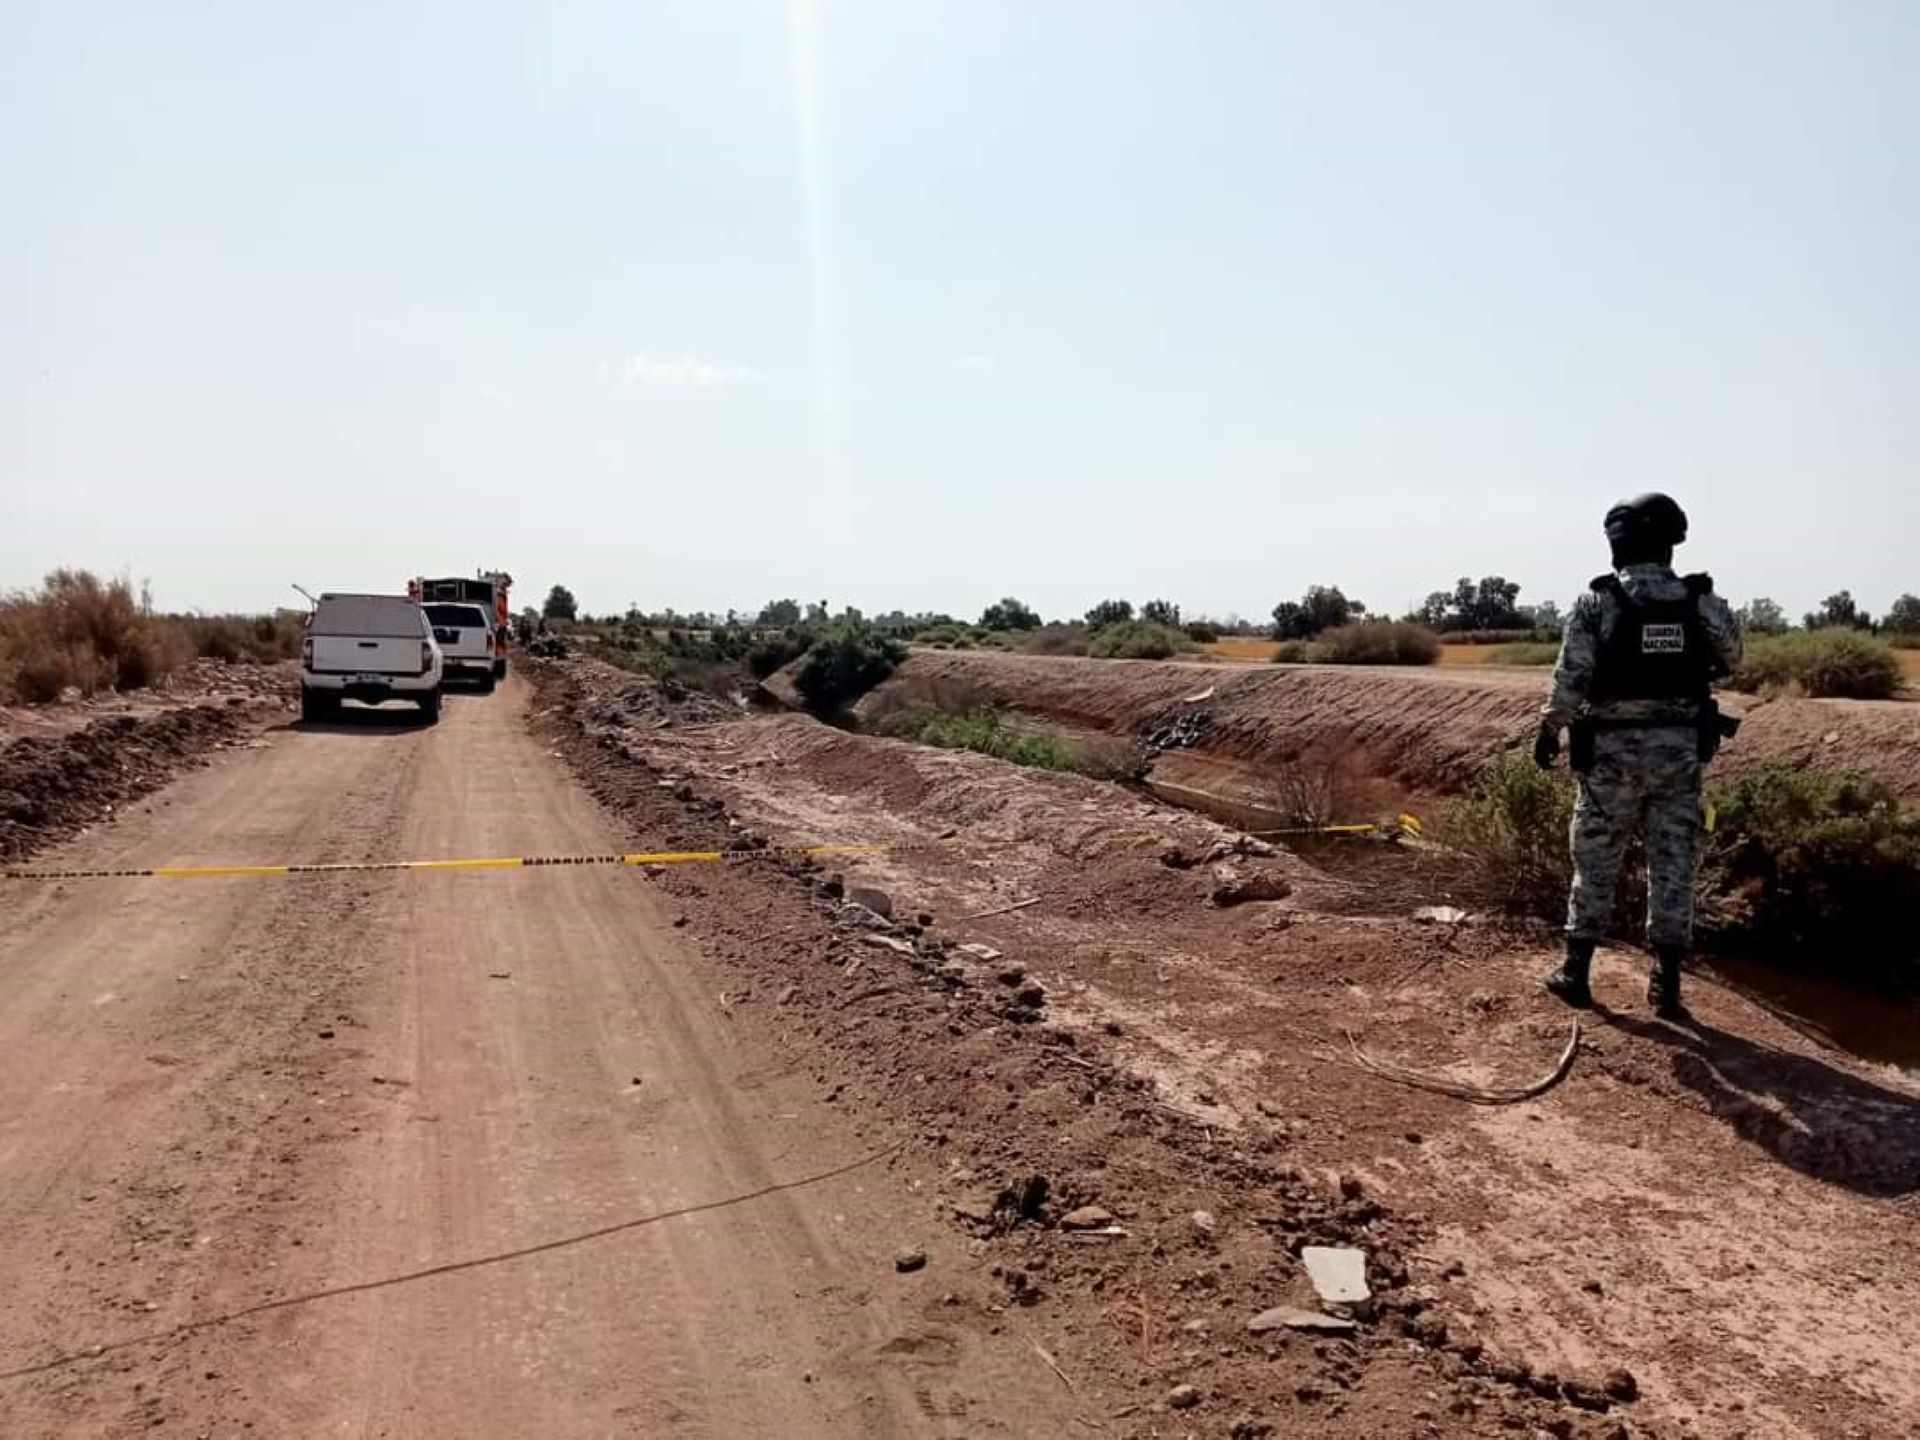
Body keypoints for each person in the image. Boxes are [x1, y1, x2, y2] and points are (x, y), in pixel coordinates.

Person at [1534, 493, 1742, 1020]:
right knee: (1674, 865)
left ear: (1617, 543)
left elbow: (1571, 680)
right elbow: (1733, 660)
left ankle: (1576, 973)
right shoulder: (1700, 601)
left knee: (1595, 858)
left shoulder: (1596, 603)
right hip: (1679, 758)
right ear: (1672, 540)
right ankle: (1666, 989)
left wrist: (1549, 728)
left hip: (1610, 758)